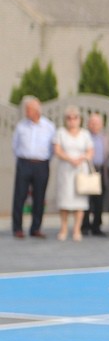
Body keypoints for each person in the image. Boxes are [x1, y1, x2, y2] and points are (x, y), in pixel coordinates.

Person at [10, 95, 55, 239]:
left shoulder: (49, 127)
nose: (26, 112)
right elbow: (15, 146)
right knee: (20, 196)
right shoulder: (21, 126)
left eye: (28, 109)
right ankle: (17, 228)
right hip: (24, 163)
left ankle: (36, 228)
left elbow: (52, 149)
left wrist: (43, 160)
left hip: (41, 165)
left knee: (39, 197)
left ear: (36, 110)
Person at [51, 105, 94, 241]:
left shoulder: (85, 134)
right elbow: (57, 150)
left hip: (80, 170)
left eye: (75, 118)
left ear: (79, 119)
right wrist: (70, 159)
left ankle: (77, 229)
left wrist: (82, 158)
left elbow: (90, 151)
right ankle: (63, 228)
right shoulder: (60, 132)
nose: (72, 120)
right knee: (65, 200)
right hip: (66, 170)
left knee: (79, 201)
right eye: (69, 118)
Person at [83, 113, 109, 235]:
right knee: (85, 200)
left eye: (97, 123)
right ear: (88, 124)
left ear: (101, 125)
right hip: (87, 170)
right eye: (92, 123)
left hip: (100, 171)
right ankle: (84, 226)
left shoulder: (104, 138)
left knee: (99, 201)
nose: (94, 125)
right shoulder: (84, 137)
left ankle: (97, 226)